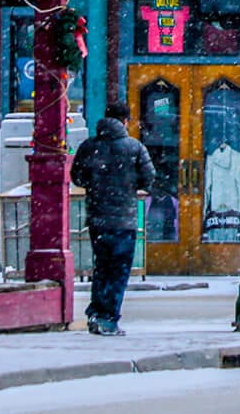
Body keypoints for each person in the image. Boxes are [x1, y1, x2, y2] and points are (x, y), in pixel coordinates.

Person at [70, 101, 156, 336]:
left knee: (101, 267)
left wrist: (96, 186)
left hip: (97, 218)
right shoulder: (134, 147)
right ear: (125, 121)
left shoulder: (89, 146)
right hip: (124, 220)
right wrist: (130, 186)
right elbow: (149, 177)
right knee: (118, 272)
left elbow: (77, 176)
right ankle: (108, 318)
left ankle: (96, 313)